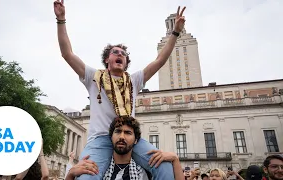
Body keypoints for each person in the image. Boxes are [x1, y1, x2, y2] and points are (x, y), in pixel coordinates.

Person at [53, 0, 186, 179]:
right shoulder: (93, 77)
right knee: (86, 175)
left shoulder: (134, 80)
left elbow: (159, 61)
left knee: (163, 165)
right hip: (100, 140)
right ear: (107, 59)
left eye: (123, 54)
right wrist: (61, 20)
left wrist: (175, 32)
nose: (120, 55)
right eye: (116, 52)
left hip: (130, 138)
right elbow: (67, 53)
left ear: (125, 62)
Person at [65, 116, 184, 180]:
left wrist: (175, 159)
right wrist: (70, 175)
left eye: (128, 133)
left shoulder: (145, 171)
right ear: (111, 137)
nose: (122, 136)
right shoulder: (97, 169)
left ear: (136, 140)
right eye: (118, 131)